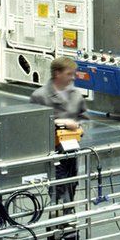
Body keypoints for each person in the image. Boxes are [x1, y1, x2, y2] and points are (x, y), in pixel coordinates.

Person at [30, 57, 86, 208]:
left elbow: (82, 117)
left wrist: (79, 127)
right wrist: (59, 123)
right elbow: (33, 126)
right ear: (57, 73)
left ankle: (69, 222)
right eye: (69, 74)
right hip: (52, 151)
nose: (72, 78)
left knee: (72, 184)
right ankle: (57, 224)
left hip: (72, 149)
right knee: (57, 188)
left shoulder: (76, 95)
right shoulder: (40, 96)